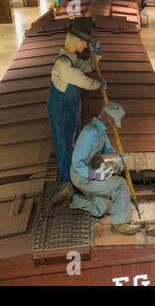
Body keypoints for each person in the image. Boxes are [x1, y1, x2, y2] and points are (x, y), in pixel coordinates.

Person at [62, 102, 140, 235]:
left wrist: (120, 157)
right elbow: (76, 163)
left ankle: (73, 198)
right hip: (82, 177)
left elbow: (108, 150)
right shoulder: (89, 133)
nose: (114, 124)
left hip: (92, 174)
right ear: (109, 118)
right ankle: (119, 223)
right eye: (114, 121)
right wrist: (94, 175)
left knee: (102, 209)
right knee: (120, 184)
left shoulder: (100, 132)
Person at [48, 24, 105, 204]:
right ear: (75, 42)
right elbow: (84, 80)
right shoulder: (62, 64)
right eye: (84, 43)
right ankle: (67, 183)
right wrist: (98, 84)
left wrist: (98, 53)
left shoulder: (70, 59)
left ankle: (75, 178)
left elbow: (88, 66)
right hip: (61, 111)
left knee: (74, 142)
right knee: (64, 146)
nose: (85, 47)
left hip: (70, 109)